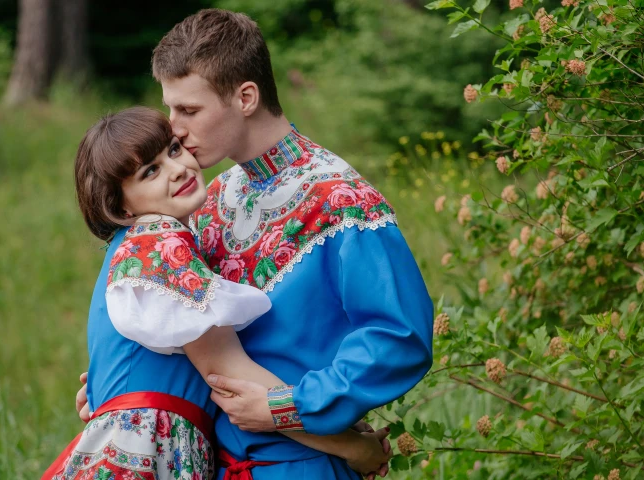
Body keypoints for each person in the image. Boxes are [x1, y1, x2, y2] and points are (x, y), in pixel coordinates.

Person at [77, 9, 434, 479]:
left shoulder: (341, 200)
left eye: (188, 110)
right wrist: (129, 388)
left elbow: (399, 337)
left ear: (245, 97)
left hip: (303, 465)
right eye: (170, 109)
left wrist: (289, 406)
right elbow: (189, 337)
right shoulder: (208, 201)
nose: (174, 129)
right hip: (212, 462)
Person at [44, 107, 392, 480]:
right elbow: (231, 378)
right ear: (120, 205)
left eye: (174, 150)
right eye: (150, 171)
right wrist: (354, 448)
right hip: (149, 453)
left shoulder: (133, 247)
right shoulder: (161, 244)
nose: (176, 169)